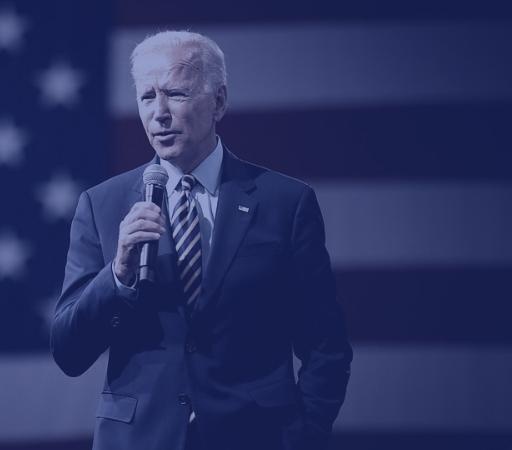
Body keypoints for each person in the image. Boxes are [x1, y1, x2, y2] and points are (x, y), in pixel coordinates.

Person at [50, 30, 352, 450]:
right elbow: (68, 351)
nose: (159, 113)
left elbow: (326, 345)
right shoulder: (101, 205)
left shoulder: (285, 202)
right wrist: (116, 276)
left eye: (175, 93)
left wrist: (305, 435)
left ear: (219, 101)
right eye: (146, 97)